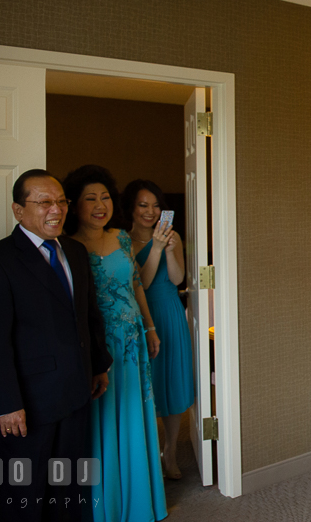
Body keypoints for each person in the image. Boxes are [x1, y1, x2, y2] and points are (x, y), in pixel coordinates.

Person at [0, 169, 112, 522]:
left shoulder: (75, 252)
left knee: (68, 496)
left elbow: (88, 316)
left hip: (76, 396)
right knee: (24, 502)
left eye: (61, 201)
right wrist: (8, 404)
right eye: (45, 202)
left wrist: (98, 365)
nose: (57, 209)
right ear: (19, 210)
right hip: (25, 408)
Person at [64, 166, 168, 522]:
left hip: (133, 341)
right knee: (104, 418)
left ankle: (141, 502)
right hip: (98, 344)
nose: (99, 204)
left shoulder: (122, 237)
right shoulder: (68, 247)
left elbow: (136, 284)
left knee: (135, 413)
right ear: (74, 205)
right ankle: (107, 506)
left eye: (105, 196)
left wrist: (150, 327)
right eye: (90, 198)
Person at [123, 179, 194, 481]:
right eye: (143, 205)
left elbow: (178, 278)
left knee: (174, 382)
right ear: (131, 208)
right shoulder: (121, 241)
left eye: (156, 205)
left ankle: (170, 452)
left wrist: (169, 250)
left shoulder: (171, 236)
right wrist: (156, 248)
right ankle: (150, 454)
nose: (151, 211)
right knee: (147, 387)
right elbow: (143, 283)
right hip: (143, 315)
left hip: (171, 313)